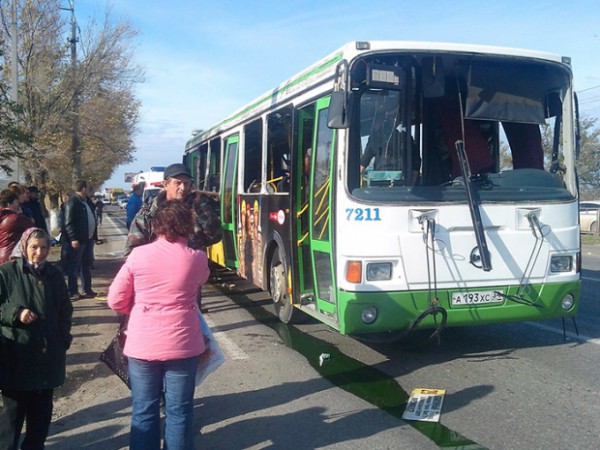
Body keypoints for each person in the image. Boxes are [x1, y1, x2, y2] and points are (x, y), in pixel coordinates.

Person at [108, 200, 210, 450]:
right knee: (180, 411)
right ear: (188, 225)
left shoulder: (138, 255)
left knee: (144, 410)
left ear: (156, 226)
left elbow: (115, 299)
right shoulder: (196, 258)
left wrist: (138, 309)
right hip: (183, 344)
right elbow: (202, 279)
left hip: (143, 344)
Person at [0, 227, 73, 450]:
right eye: (34, 247)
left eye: (44, 247)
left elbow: (65, 310)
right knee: (12, 417)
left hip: (48, 356)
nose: (39, 253)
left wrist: (62, 339)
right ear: (24, 247)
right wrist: (16, 313)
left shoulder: (54, 274)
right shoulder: (7, 272)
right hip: (17, 357)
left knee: (40, 418)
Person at [125, 163, 222, 256]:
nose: (182, 188)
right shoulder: (150, 213)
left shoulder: (196, 208)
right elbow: (132, 251)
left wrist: (200, 205)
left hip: (192, 268)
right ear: (165, 185)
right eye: (177, 183)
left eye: (186, 183)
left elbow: (216, 236)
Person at [61, 180, 97, 300]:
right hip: (78, 241)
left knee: (86, 264)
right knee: (74, 266)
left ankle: (87, 289)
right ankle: (73, 291)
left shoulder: (85, 202)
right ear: (83, 189)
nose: (88, 190)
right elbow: (68, 223)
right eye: (87, 188)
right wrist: (73, 238)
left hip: (87, 239)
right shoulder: (72, 202)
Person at [0, 189, 34, 264]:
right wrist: (20, 214)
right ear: (9, 203)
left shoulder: (2, 216)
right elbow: (31, 227)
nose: (18, 204)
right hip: (10, 254)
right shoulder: (15, 218)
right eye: (16, 202)